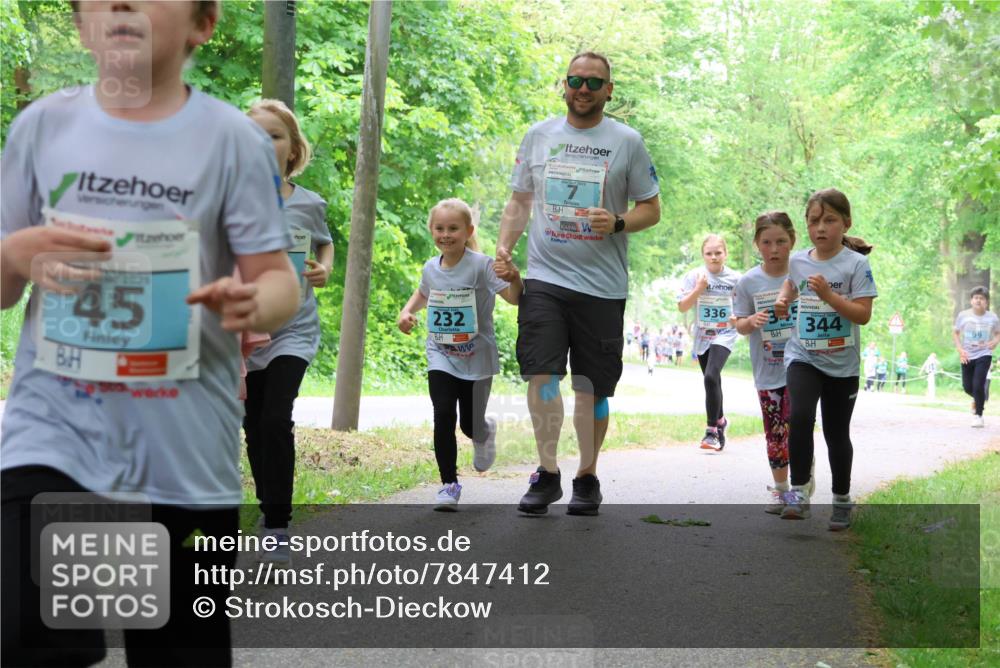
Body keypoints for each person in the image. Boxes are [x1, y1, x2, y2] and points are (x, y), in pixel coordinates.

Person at [0, 2, 300, 665]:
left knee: (175, 652)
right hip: (55, 437)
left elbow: (280, 278)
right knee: (31, 637)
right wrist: (16, 253)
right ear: (81, 25)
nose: (124, 4)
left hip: (180, 457)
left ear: (204, 24)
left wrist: (254, 301)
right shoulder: (40, 129)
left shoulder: (231, 140)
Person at [494, 51, 660, 516]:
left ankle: (586, 476)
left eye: (593, 82)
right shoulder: (539, 136)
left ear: (609, 90)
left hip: (602, 287)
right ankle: (547, 473)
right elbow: (519, 201)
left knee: (592, 388)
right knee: (542, 374)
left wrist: (620, 222)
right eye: (575, 80)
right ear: (563, 86)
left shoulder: (627, 142)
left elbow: (651, 207)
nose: (583, 89)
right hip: (545, 279)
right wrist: (504, 249)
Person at [242, 99, 334, 562]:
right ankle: (267, 504)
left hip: (294, 329)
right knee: (254, 426)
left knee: (276, 419)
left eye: (274, 136)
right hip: (244, 332)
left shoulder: (309, 202)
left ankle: (277, 524)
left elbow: (324, 244)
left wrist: (324, 271)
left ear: (292, 148)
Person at [399, 199, 522, 510]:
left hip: (477, 357)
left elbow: (513, 298)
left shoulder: (481, 265)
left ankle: (484, 431)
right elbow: (424, 291)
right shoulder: (430, 267)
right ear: (431, 231)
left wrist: (514, 278)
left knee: (469, 425)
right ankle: (448, 485)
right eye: (439, 228)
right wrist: (407, 311)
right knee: (443, 415)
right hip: (441, 354)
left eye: (453, 228)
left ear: (468, 231)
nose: (446, 234)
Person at [774, 188, 877, 531]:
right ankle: (799, 494)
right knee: (799, 417)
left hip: (842, 365)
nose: (821, 228)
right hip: (803, 355)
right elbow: (792, 284)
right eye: (813, 221)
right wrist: (783, 299)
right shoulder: (800, 260)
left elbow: (862, 315)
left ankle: (842, 499)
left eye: (830, 220)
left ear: (846, 223)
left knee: (836, 432)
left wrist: (829, 295)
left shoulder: (857, 264)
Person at [734, 211, 814, 513]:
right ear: (757, 244)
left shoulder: (804, 272)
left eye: (781, 241)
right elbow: (739, 324)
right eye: (767, 242)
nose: (774, 249)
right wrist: (752, 321)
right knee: (775, 432)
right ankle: (782, 491)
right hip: (767, 368)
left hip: (804, 364)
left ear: (792, 240)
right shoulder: (748, 282)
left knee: (798, 429)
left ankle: (799, 490)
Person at [677, 234, 742, 451]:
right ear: (703, 255)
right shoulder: (694, 276)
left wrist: (738, 319)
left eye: (718, 253)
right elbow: (683, 307)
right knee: (711, 381)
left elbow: (744, 306)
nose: (714, 257)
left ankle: (711, 431)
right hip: (703, 335)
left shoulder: (735, 279)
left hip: (725, 333)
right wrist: (698, 289)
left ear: (725, 254)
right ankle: (721, 420)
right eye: (709, 253)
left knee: (711, 376)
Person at [952, 286, 1000, 427]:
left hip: (984, 354)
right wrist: (960, 349)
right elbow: (955, 333)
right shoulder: (963, 315)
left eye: (982, 298)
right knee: (967, 387)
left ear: (986, 302)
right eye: (976, 298)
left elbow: (998, 333)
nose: (978, 301)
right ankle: (978, 398)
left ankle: (979, 415)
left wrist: (995, 342)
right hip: (967, 354)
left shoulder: (992, 317)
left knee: (978, 384)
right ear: (971, 300)